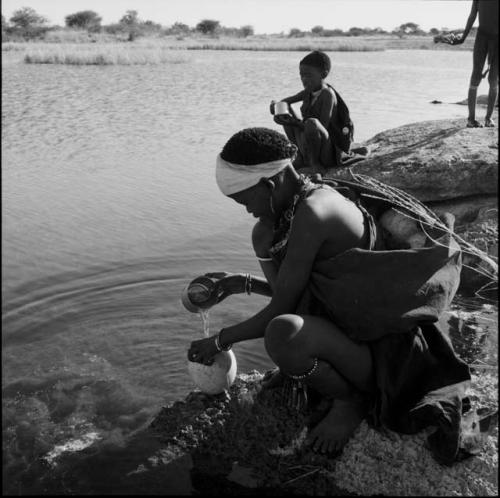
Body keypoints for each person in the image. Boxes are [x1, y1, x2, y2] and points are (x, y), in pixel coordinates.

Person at [187, 127, 471, 463]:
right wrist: (242, 282)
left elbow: (283, 310)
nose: (245, 210)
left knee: (283, 335)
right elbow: (294, 294)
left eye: (244, 199)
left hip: (382, 354)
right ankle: (322, 376)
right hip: (343, 336)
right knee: (264, 242)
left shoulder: (314, 212)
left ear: (270, 183)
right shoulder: (286, 215)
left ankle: (349, 400)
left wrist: (220, 341)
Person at [270, 51, 348, 173]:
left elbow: (322, 126)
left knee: (312, 122)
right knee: (286, 109)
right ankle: (300, 158)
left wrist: (294, 123)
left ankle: (315, 164)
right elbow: (285, 102)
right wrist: (276, 107)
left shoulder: (327, 94)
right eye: (301, 75)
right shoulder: (308, 92)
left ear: (323, 74)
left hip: (326, 150)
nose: (304, 79)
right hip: (308, 141)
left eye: (309, 75)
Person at [454, 0, 499, 127]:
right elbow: (472, 15)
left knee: (493, 78)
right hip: (482, 37)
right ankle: (471, 119)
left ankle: (488, 118)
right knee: (476, 76)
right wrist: (463, 37)